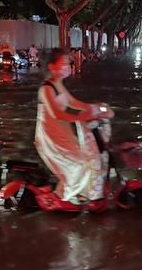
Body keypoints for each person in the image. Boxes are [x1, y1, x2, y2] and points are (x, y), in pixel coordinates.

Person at [35, 49, 114, 204]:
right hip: (50, 135)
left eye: (68, 63)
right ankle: (63, 197)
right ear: (52, 67)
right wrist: (80, 117)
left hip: (62, 131)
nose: (68, 66)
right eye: (64, 63)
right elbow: (57, 114)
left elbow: (73, 103)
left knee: (86, 158)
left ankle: (71, 193)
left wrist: (94, 108)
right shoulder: (46, 89)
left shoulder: (59, 85)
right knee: (78, 163)